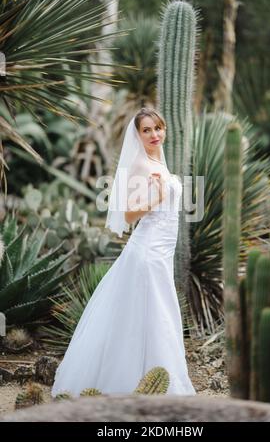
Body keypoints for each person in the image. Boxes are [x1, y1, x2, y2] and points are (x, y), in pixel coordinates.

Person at [51, 108, 196, 397]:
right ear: (138, 135)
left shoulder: (158, 160)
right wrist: (156, 197)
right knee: (156, 316)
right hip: (148, 253)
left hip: (161, 252)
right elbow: (129, 215)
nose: (155, 134)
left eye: (158, 128)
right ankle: (142, 386)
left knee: (152, 317)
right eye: (147, 130)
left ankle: (153, 382)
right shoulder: (141, 164)